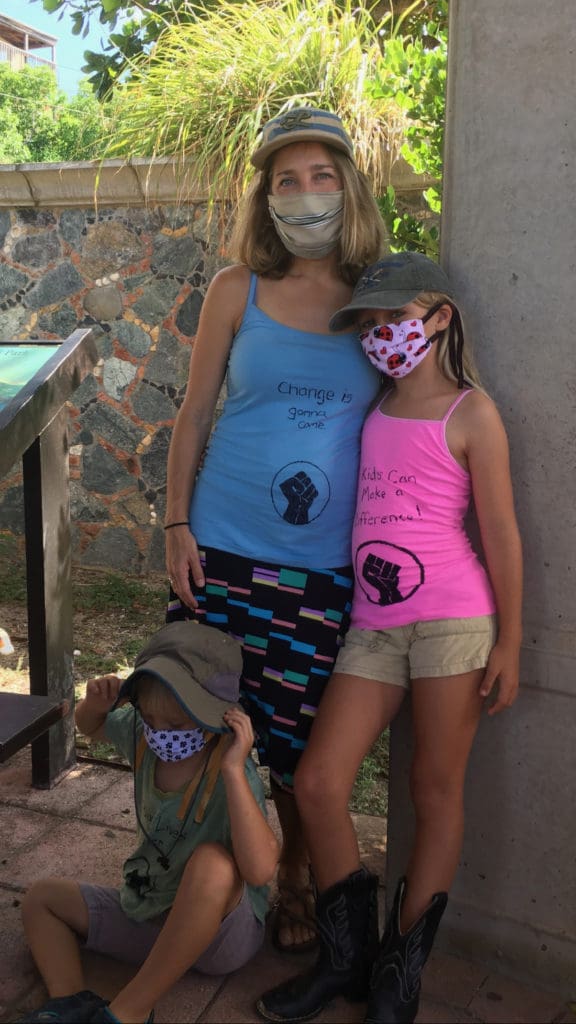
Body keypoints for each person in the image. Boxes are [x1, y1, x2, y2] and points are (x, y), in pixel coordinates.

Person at [257, 251, 523, 1023]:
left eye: (395, 318)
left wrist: (510, 642)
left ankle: (398, 977)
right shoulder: (371, 406)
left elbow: (500, 532)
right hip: (373, 628)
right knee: (317, 783)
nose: (380, 335)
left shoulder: (471, 412)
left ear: (439, 317)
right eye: (368, 324)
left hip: (453, 624)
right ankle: (347, 958)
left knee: (433, 793)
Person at [164, 106, 386, 951]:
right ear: (267, 196)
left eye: (321, 176)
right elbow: (192, 416)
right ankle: (196, 863)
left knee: (290, 738)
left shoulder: (378, 305)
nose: (305, 195)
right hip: (217, 548)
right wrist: (176, 522)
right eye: (286, 180)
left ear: (348, 185)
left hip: (318, 568)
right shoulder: (236, 290)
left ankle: (291, 879)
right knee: (199, 716)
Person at [20, 621, 279, 1024]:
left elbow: (261, 870)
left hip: (222, 936)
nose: (161, 734)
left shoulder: (232, 771)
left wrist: (232, 770)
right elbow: (91, 726)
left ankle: (129, 1013)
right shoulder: (145, 736)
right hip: (153, 915)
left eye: (175, 726)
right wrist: (96, 705)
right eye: (150, 719)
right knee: (41, 899)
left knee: (213, 863)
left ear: (214, 718)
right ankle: (69, 1005)